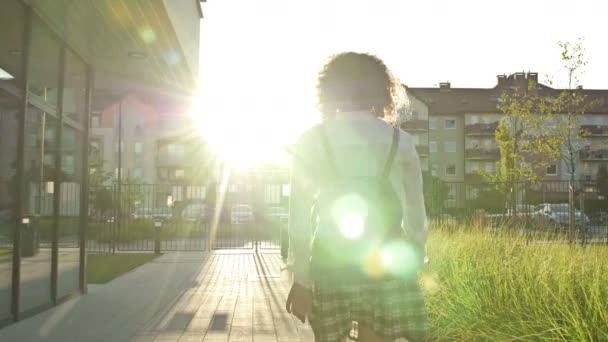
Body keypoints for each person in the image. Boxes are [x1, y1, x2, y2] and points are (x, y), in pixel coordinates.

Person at [284, 52, 429, 342]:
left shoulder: (312, 140)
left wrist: (300, 278)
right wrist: (414, 257)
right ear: (382, 90)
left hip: (329, 263)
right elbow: (415, 212)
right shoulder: (401, 142)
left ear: (328, 90)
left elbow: (298, 216)